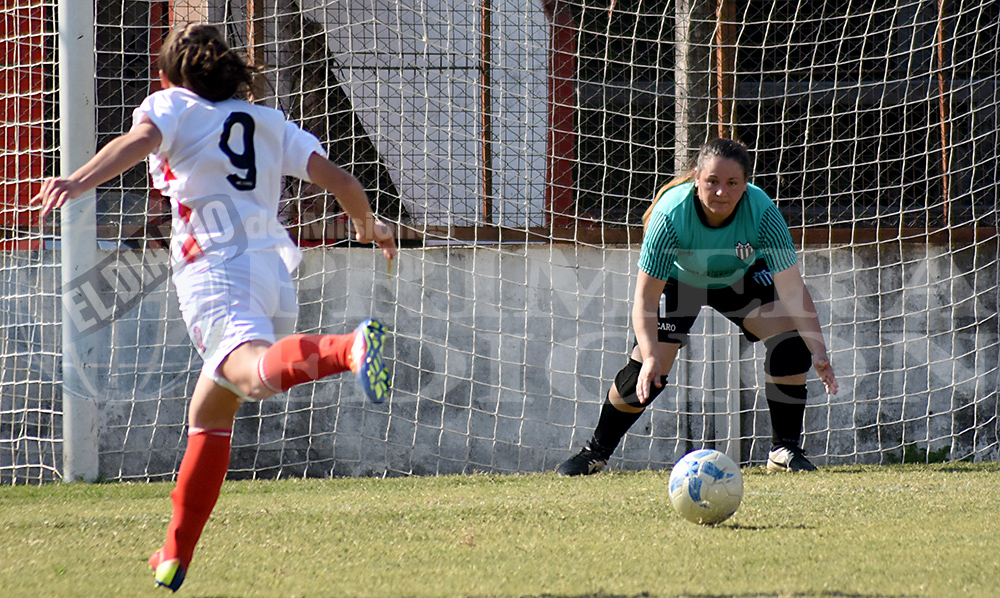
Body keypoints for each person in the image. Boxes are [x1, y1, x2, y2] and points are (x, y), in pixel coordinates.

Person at [31, 23, 397, 592]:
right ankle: (173, 555)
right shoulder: (270, 122)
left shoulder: (172, 105)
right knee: (209, 413)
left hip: (215, 272)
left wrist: (77, 182)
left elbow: (136, 143)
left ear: (170, 75)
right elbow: (342, 179)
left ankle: (348, 348)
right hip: (273, 274)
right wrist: (367, 225)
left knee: (249, 378)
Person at [556, 138, 838, 477]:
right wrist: (648, 358)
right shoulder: (670, 215)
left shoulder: (762, 210)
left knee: (792, 343)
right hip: (684, 282)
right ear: (696, 179)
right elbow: (644, 300)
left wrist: (818, 351)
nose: (722, 192)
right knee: (649, 369)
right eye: (712, 182)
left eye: (732, 183)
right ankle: (594, 453)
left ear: (746, 184)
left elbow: (793, 289)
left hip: (740, 278)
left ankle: (784, 449)